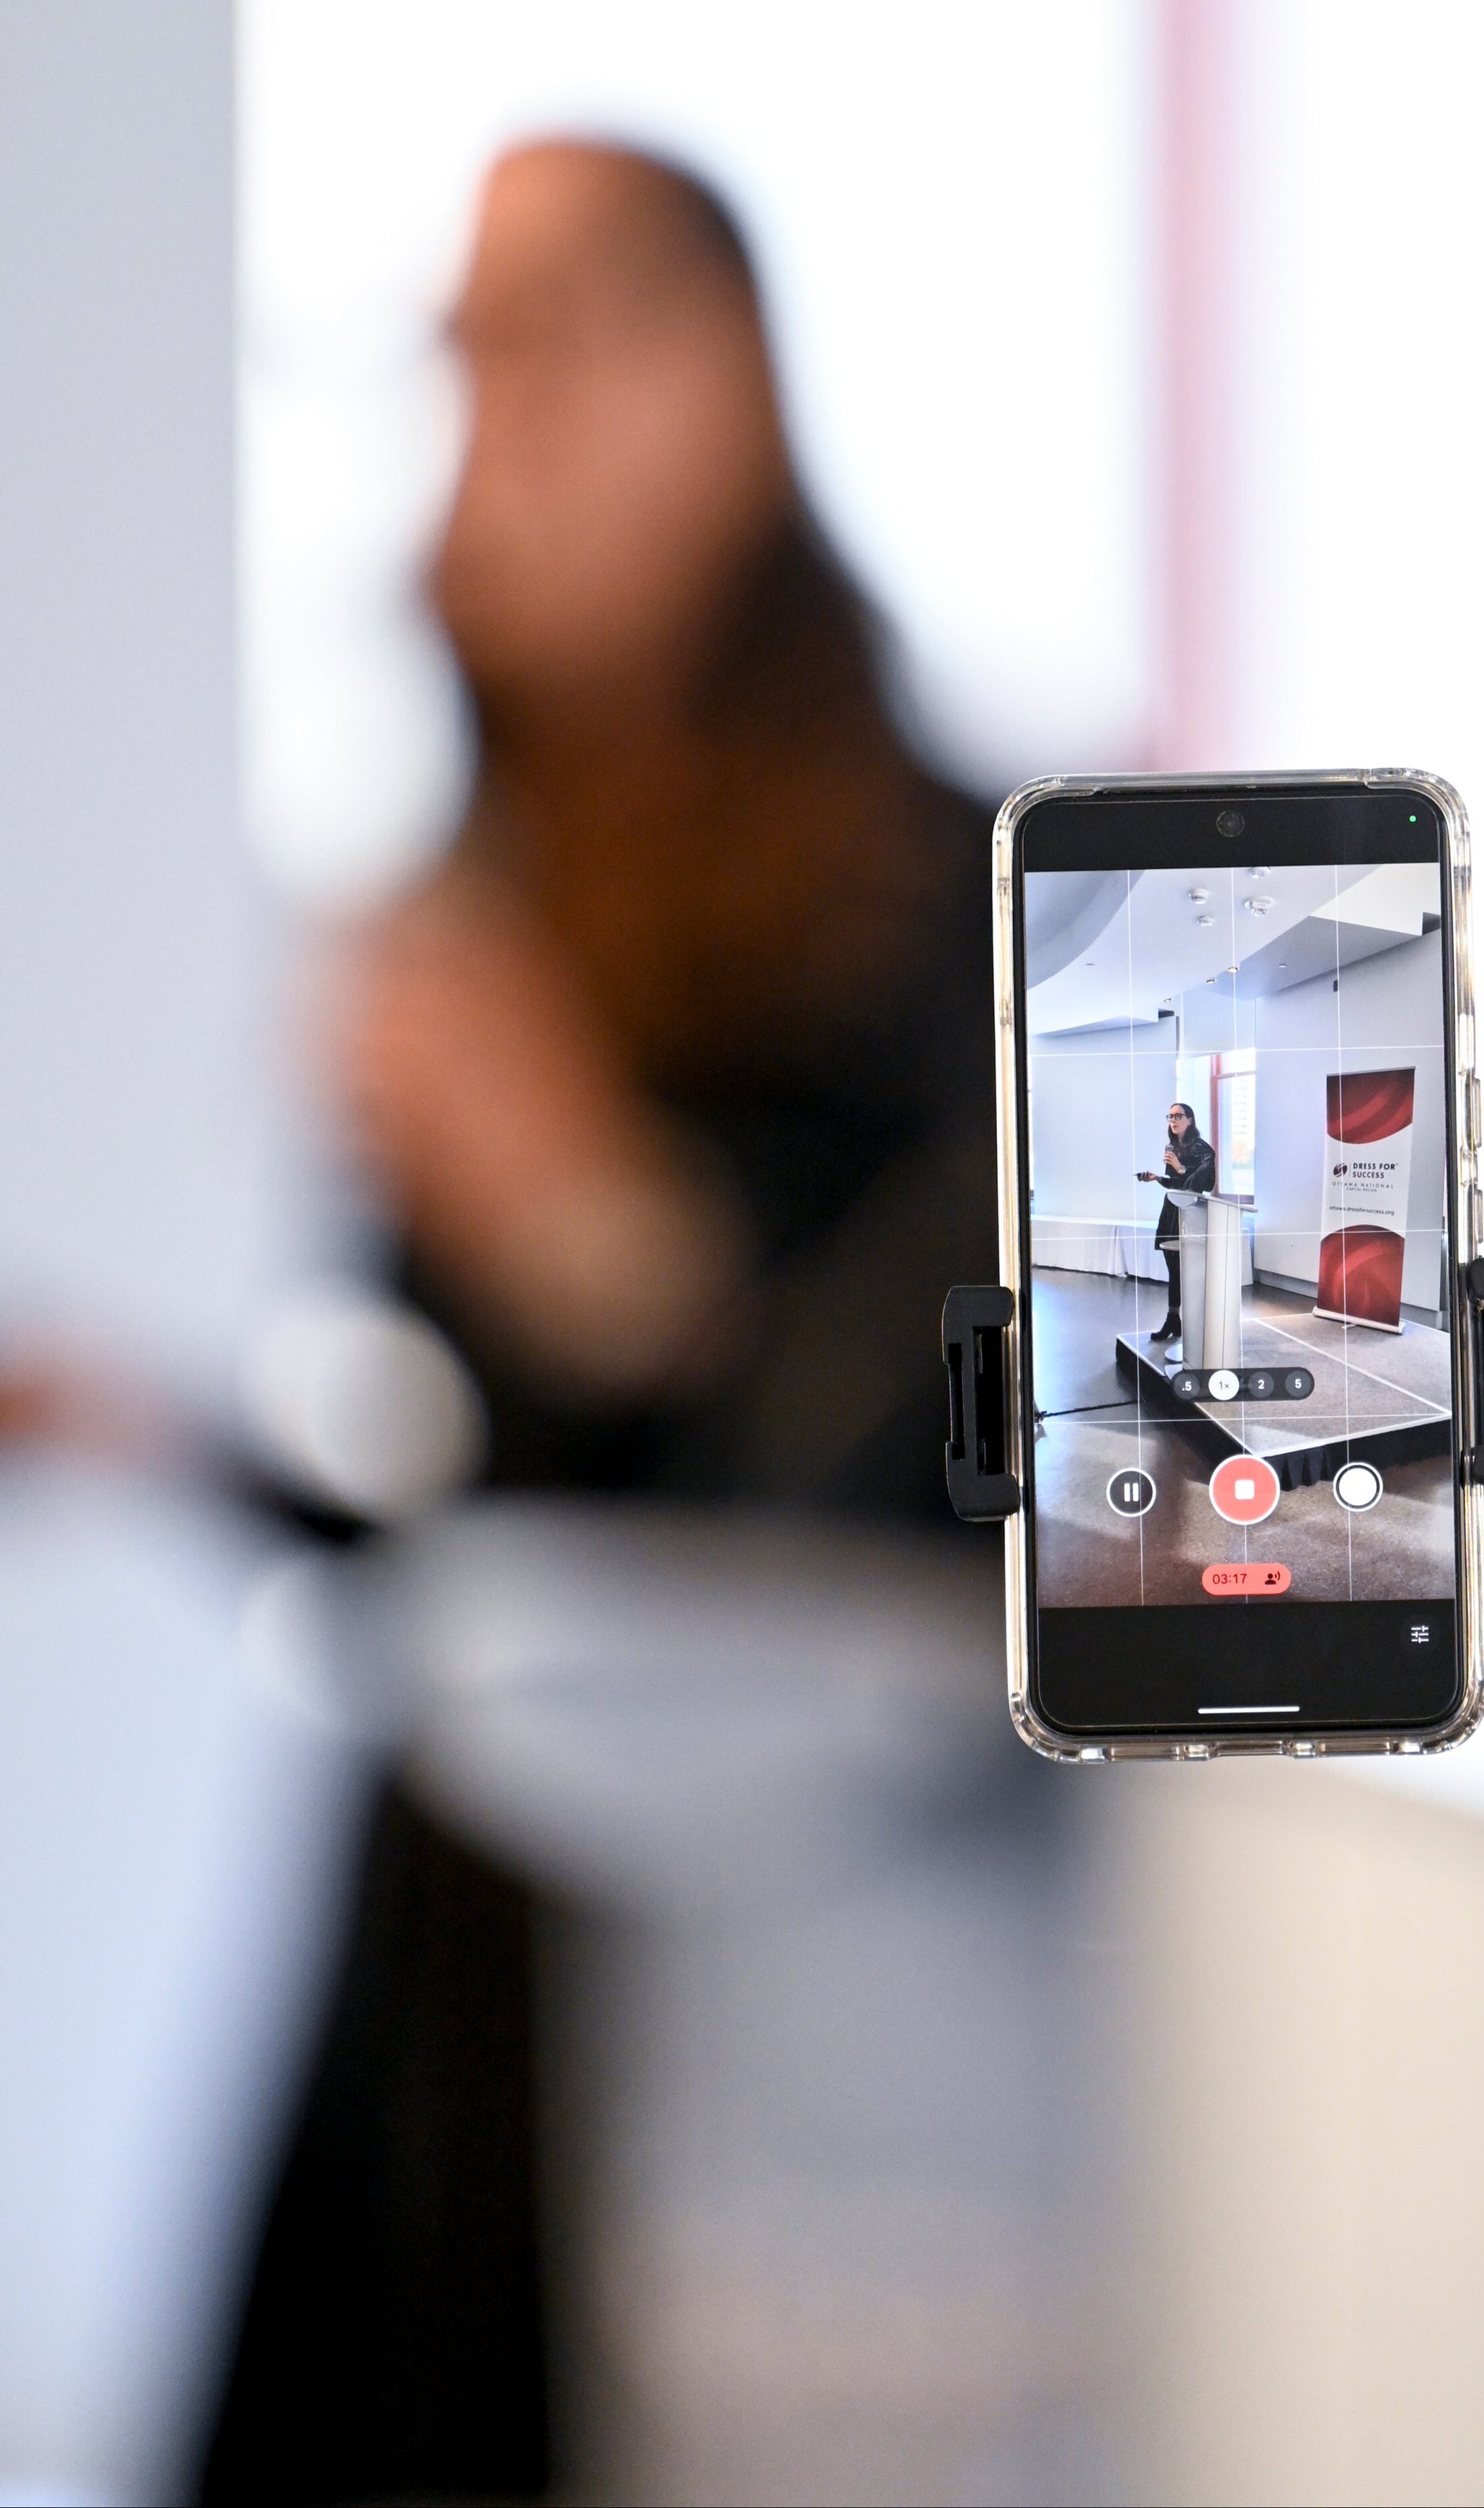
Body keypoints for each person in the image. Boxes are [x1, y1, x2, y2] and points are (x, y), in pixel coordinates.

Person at [195, 138, 1002, 2504]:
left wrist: (594, 1234)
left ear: (716, 373)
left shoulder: (945, 900)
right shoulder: (499, 876)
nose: (486, 422)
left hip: (812, 1977)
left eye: (537, 341)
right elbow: (464, 1528)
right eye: (462, 358)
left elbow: (941, 1506)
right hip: (473, 1965)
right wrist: (171, 1438)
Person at [1137, 1099, 1217, 1344]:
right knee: (1173, 1268)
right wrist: (1156, 1178)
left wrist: (1180, 1168)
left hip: (1190, 1214)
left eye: (1178, 1116)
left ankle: (1185, 1321)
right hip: (1171, 1211)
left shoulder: (1203, 1149)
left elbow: (1206, 1184)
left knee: (1184, 1270)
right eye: (1170, 1116)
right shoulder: (1172, 1147)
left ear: (1190, 1120)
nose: (1173, 1120)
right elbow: (1175, 1184)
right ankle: (1173, 1319)